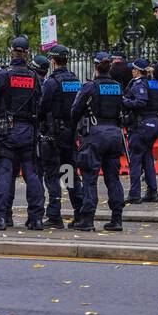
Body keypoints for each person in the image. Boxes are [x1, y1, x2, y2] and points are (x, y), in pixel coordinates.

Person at [0, 36, 44, 230]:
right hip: (29, 131)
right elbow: (40, 103)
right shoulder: (34, 77)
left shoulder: (2, 75)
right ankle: (36, 218)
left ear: (11, 52)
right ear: (27, 53)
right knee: (32, 174)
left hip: (7, 130)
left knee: (4, 174)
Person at [68, 52, 127, 231]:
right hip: (115, 134)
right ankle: (117, 219)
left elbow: (75, 111)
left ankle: (87, 219)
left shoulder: (89, 87)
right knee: (113, 178)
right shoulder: (118, 87)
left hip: (95, 135)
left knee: (89, 178)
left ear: (95, 67)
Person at [38, 45, 82, 229]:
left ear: (53, 61)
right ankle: (79, 213)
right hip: (71, 134)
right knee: (69, 174)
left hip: (54, 134)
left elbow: (42, 107)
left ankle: (54, 215)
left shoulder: (51, 82)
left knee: (52, 175)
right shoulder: (75, 81)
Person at [124, 58, 158, 205]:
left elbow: (140, 102)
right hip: (154, 123)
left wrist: (124, 101)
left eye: (133, 69)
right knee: (147, 159)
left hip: (141, 126)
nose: (131, 71)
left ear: (137, 70)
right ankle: (153, 192)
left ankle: (134, 194)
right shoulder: (154, 83)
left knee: (135, 161)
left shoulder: (139, 84)